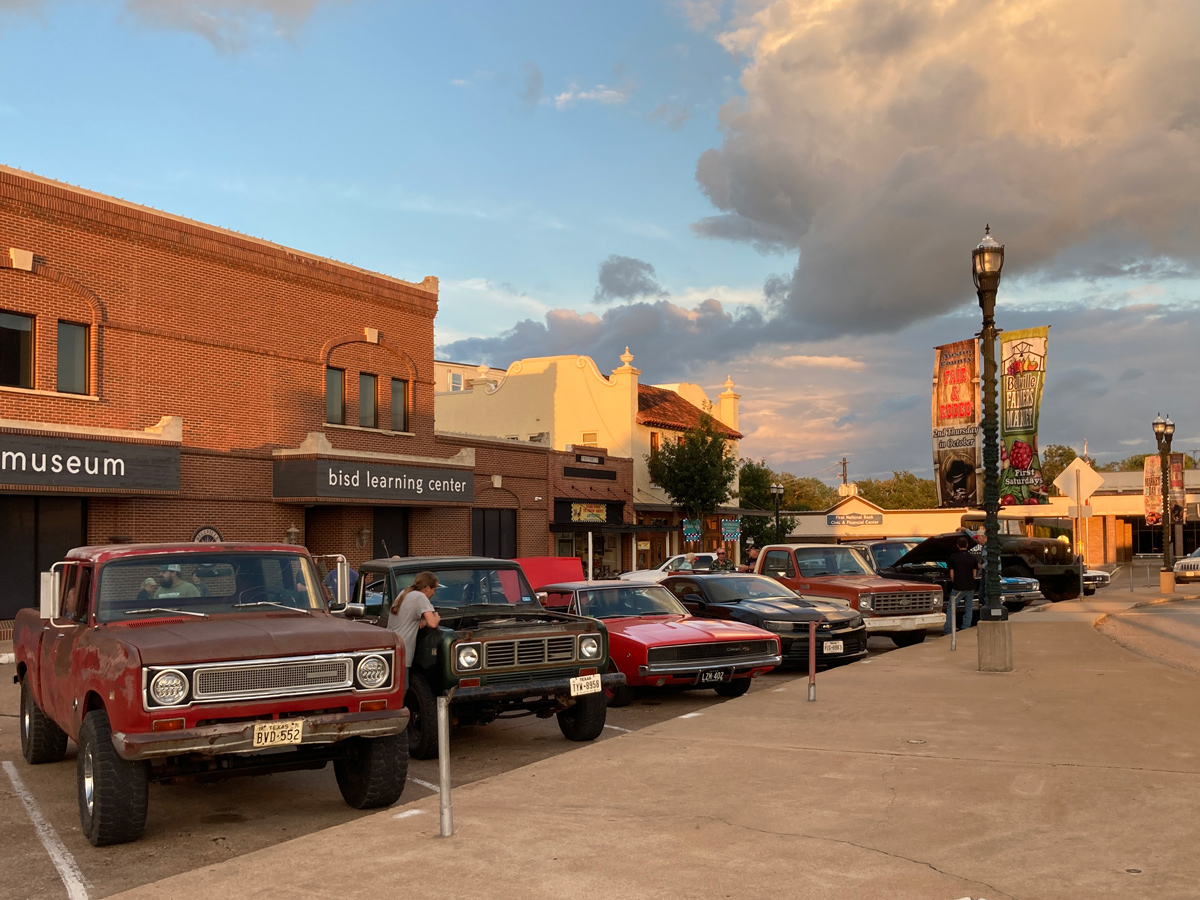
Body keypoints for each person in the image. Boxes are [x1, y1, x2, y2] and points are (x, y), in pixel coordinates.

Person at [387, 571, 441, 678]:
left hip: (391, 647)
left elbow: (409, 615)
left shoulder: (405, 593)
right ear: (427, 588)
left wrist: (421, 620)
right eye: (434, 590)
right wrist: (437, 617)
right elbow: (433, 623)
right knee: (403, 688)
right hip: (403, 650)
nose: (434, 593)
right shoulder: (420, 597)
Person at [945, 535, 979, 635]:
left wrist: (955, 583)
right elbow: (974, 574)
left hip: (958, 587)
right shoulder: (972, 558)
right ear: (967, 545)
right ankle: (965, 628)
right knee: (968, 608)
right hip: (970, 587)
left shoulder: (953, 557)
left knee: (951, 608)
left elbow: (952, 573)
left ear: (957, 545)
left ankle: (948, 629)